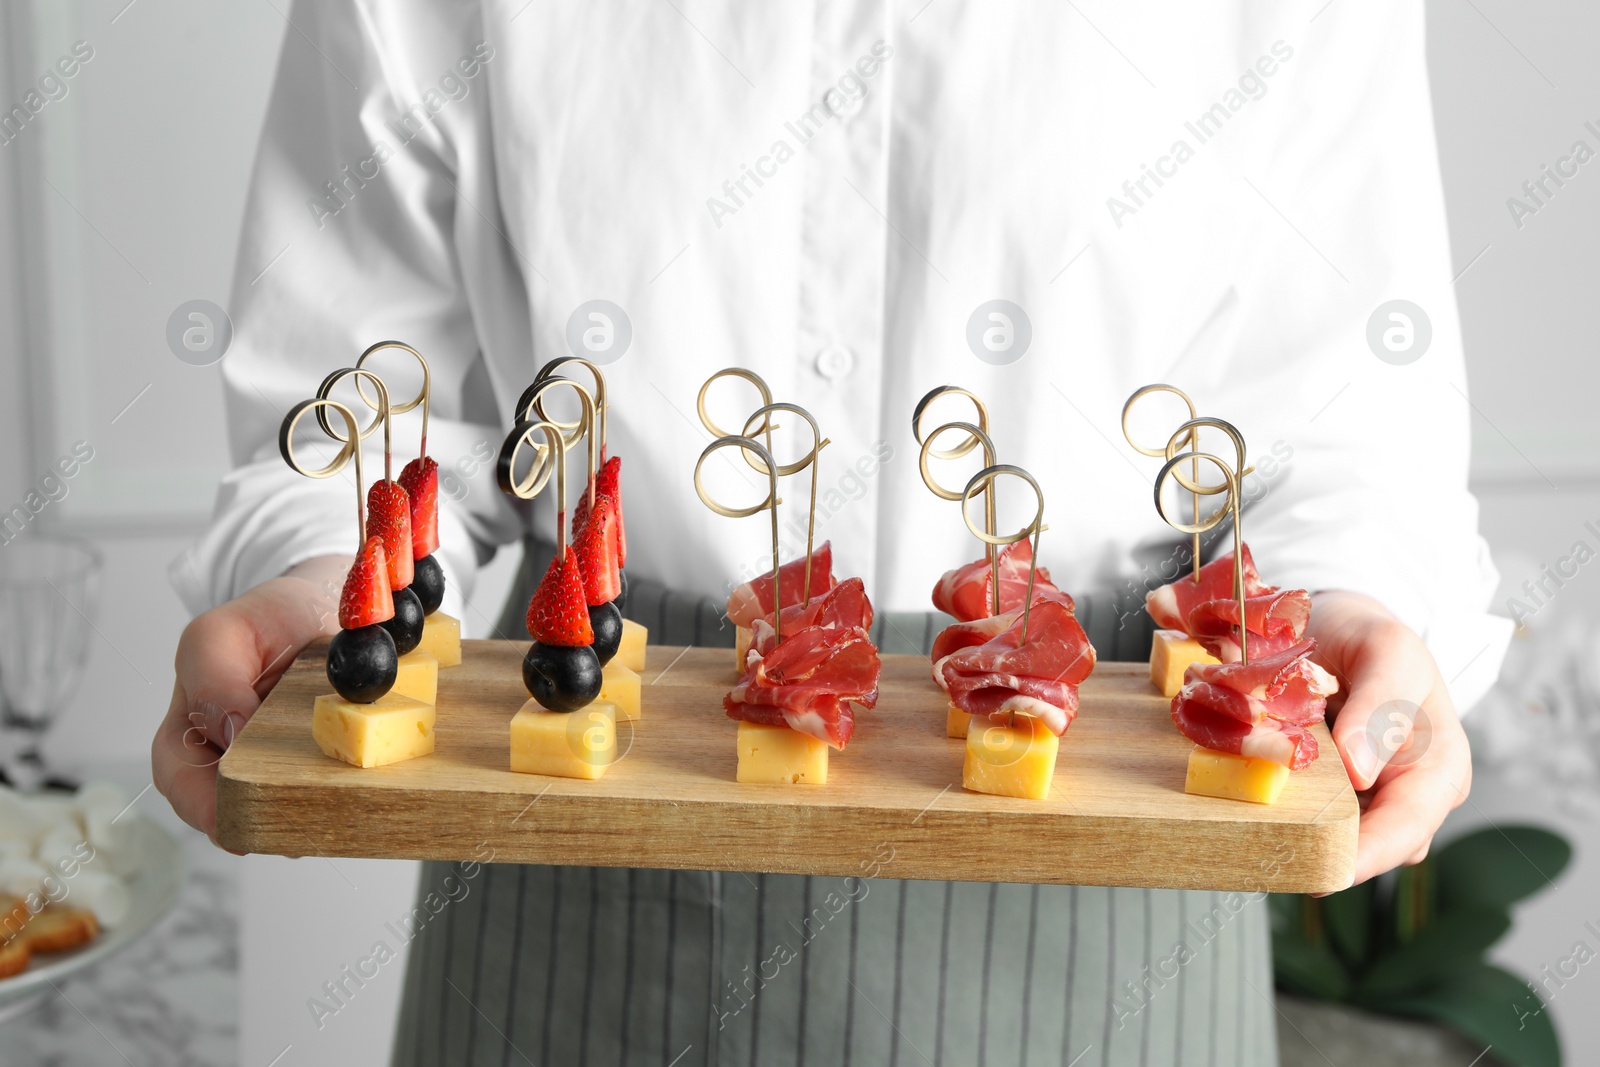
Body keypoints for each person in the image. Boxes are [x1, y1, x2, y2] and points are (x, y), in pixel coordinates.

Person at [153, 2, 1510, 1064]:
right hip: (587, 844)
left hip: (1111, 820)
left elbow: (1345, 422)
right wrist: (332, 592)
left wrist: (1348, 616)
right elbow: (358, 394)